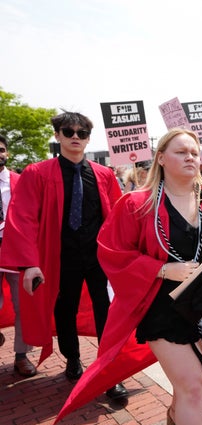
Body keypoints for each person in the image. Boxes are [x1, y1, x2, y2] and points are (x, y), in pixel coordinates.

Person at [56, 128, 202, 425]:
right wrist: (162, 268)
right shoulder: (136, 204)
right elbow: (112, 252)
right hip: (161, 309)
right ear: (161, 158)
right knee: (196, 386)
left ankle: (177, 411)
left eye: (195, 152)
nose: (191, 157)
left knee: (190, 381)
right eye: (181, 152)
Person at [0, 111, 126, 399]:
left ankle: (108, 369)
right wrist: (30, 263)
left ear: (88, 139)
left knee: (107, 310)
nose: (75, 138)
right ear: (57, 135)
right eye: (68, 132)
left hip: (99, 258)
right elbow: (23, 217)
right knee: (65, 310)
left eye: (82, 134)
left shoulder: (104, 174)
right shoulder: (37, 173)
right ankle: (73, 359)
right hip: (59, 257)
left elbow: (119, 216)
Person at [0, 134, 36, 377]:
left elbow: (33, 217)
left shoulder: (20, 181)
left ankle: (21, 356)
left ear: (7, 153)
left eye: (1, 149)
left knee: (23, 305)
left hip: (15, 254)